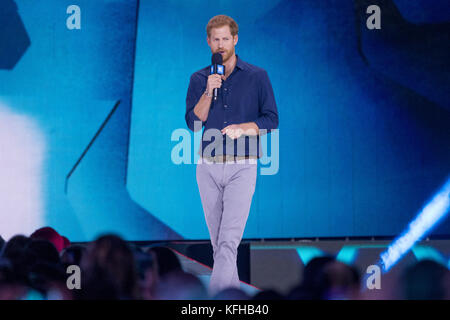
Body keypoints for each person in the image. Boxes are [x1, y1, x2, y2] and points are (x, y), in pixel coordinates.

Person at [185, 15, 279, 295]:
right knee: (219, 244)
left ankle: (217, 299)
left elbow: (271, 119)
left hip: (243, 165)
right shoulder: (199, 78)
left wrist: (245, 128)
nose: (221, 44)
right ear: (208, 42)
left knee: (228, 241)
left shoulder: (257, 76)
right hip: (208, 166)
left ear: (235, 40)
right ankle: (234, 297)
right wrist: (207, 91)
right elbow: (193, 123)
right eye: (216, 39)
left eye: (226, 38)